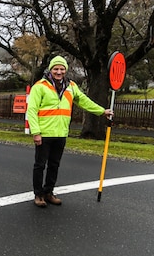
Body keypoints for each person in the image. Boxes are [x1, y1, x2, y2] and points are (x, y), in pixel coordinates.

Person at [26, 55, 114, 208]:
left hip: (61, 133)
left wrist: (102, 111)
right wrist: (36, 132)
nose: (59, 72)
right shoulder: (40, 86)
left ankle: (49, 192)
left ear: (65, 70)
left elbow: (84, 101)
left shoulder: (71, 86)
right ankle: (38, 194)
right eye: (56, 69)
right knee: (40, 165)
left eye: (61, 69)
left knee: (54, 164)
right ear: (51, 70)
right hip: (44, 134)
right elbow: (32, 110)